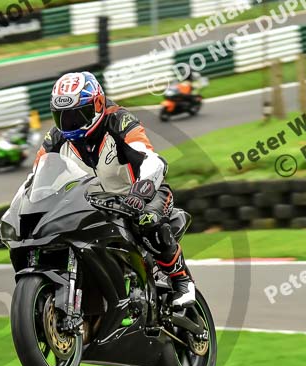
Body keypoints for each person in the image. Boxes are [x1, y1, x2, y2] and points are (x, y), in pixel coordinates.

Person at [30, 71, 195, 307]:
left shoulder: (119, 121)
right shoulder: (55, 138)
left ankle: (182, 280)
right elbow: (35, 178)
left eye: (78, 114)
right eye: (63, 117)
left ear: (98, 104)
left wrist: (140, 193)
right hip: (95, 205)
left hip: (142, 193)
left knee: (148, 221)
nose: (71, 123)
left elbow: (151, 159)